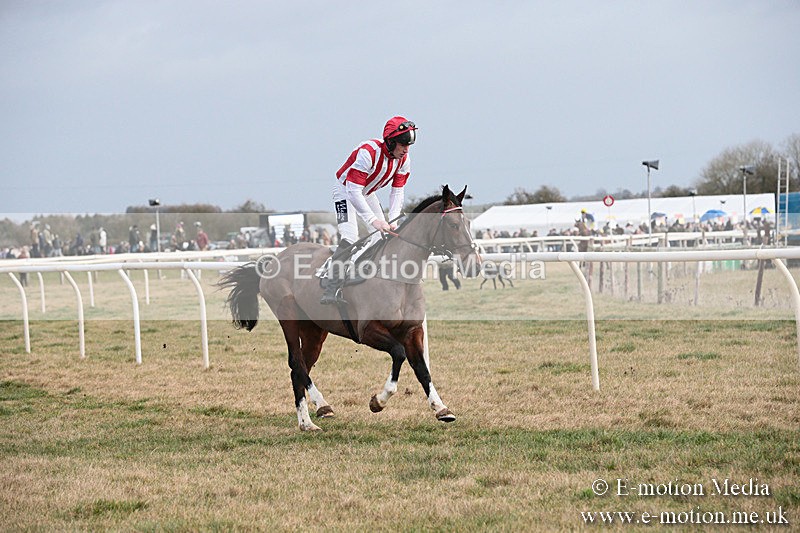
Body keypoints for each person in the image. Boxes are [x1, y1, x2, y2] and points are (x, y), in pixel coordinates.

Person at [321, 116, 418, 305]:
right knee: (350, 237)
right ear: (390, 142)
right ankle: (331, 288)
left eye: (409, 145)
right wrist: (375, 221)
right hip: (345, 190)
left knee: (381, 236)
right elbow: (353, 191)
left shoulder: (404, 159)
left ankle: (363, 274)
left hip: (366, 192)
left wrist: (393, 221)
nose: (406, 149)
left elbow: (397, 192)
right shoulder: (368, 153)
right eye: (403, 144)